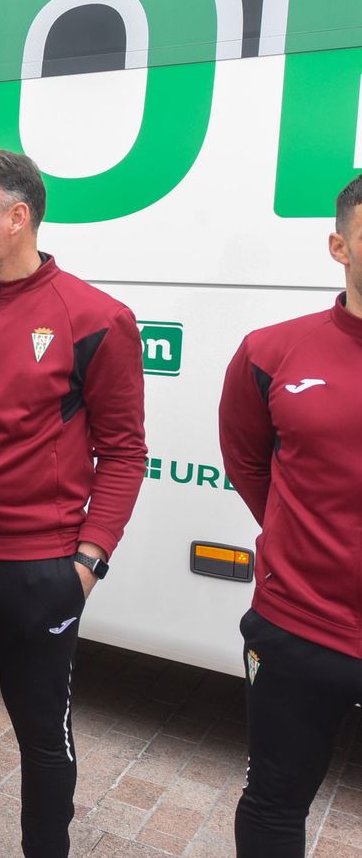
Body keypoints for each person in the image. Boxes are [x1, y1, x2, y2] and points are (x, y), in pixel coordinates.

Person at [0, 151, 146, 858]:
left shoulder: (97, 317)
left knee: (44, 734)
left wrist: (89, 559)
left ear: (18, 218)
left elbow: (125, 451)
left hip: (40, 569)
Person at [220, 175, 362, 856]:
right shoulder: (271, 351)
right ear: (339, 245)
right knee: (275, 804)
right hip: (298, 626)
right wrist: (298, 536)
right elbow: (249, 464)